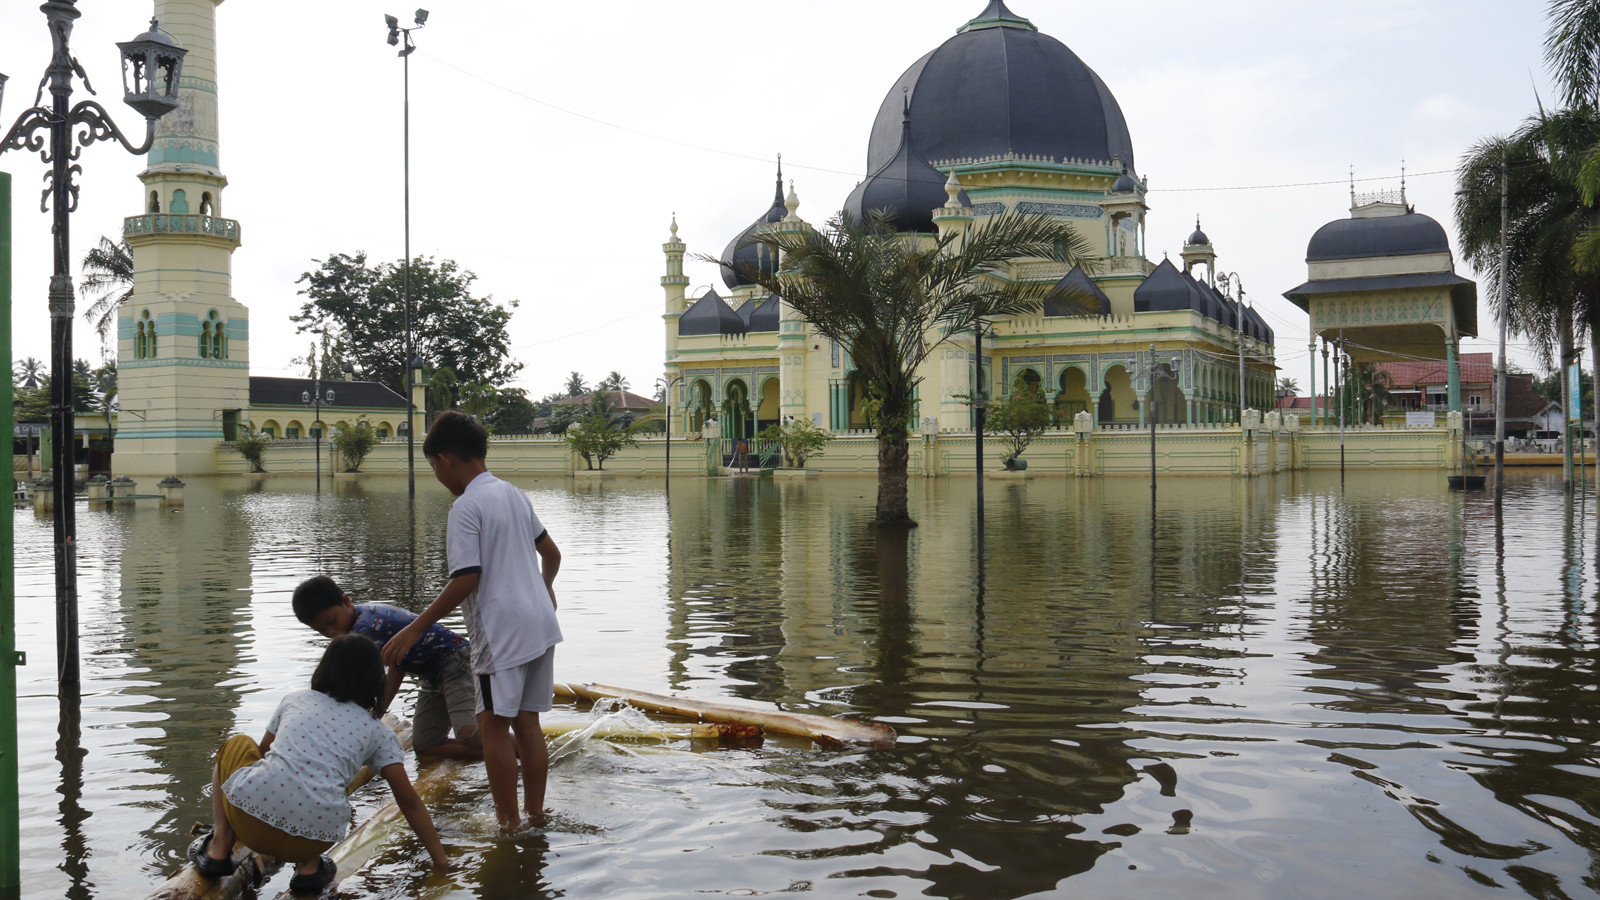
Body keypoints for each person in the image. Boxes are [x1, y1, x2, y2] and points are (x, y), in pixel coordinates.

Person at [384, 411, 563, 834]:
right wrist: (546, 589)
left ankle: (508, 824)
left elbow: (467, 579)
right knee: (528, 722)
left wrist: (415, 627)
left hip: (500, 629)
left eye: (432, 466)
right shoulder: (513, 493)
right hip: (539, 621)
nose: (436, 475)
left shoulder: (466, 506)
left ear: (445, 459)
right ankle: (536, 814)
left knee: (493, 727)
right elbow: (552, 555)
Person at [189, 634, 450, 893]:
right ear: (375, 682)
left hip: (251, 828)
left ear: (323, 668)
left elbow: (261, 753)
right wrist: (441, 861)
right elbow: (409, 801)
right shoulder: (377, 732)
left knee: (237, 743)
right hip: (312, 841)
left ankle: (219, 846)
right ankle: (309, 869)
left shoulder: (296, 700)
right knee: (325, 784)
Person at [292, 574, 482, 760]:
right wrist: (378, 712)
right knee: (427, 745)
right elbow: (396, 667)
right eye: (322, 630)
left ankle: (505, 750)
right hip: (431, 672)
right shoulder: (362, 617)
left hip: (455, 660)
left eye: (332, 622)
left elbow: (357, 683)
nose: (332, 631)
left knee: (468, 734)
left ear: (346, 601)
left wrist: (366, 717)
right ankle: (496, 756)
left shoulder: (364, 630)